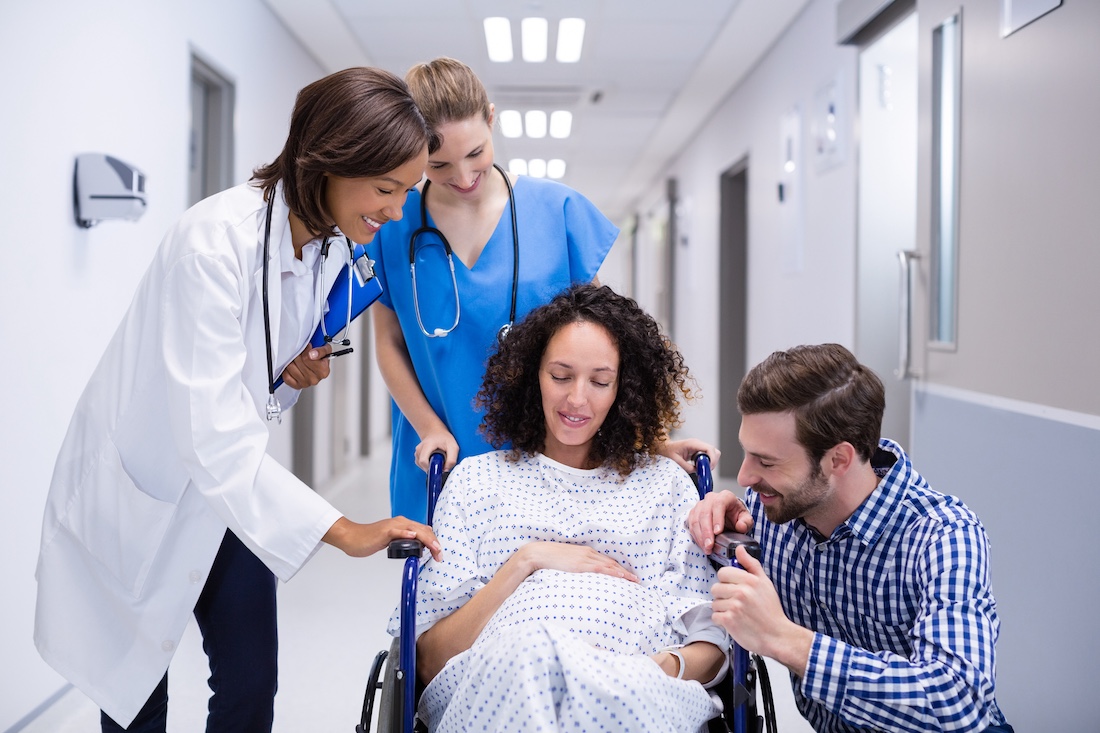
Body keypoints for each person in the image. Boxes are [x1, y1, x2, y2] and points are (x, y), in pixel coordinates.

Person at [34, 67, 442, 733]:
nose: (396, 210)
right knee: (138, 699)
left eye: (407, 191)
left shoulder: (335, 247)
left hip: (229, 495)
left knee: (251, 686)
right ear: (331, 161)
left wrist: (289, 375)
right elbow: (212, 435)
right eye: (387, 188)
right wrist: (346, 531)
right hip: (148, 494)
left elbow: (247, 384)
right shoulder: (213, 244)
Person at [368, 57, 716, 523]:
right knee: (444, 593)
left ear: (491, 119)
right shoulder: (393, 223)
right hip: (437, 454)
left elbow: (601, 347)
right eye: (439, 164)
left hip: (543, 462)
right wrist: (429, 428)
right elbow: (389, 344)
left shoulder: (558, 211)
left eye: (476, 152)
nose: (465, 176)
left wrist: (651, 441)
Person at [390, 283, 729, 732]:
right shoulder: (476, 482)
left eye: (600, 381)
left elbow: (715, 640)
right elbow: (429, 661)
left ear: (623, 388)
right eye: (561, 376)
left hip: (636, 689)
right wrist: (525, 563)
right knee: (528, 653)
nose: (577, 400)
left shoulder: (665, 485)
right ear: (533, 376)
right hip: (502, 682)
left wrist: (643, 671)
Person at [688, 344, 1014, 733]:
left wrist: (786, 640)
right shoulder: (770, 513)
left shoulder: (944, 537)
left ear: (838, 459)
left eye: (767, 462)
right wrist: (717, 521)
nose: (744, 477)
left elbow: (955, 701)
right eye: (748, 454)